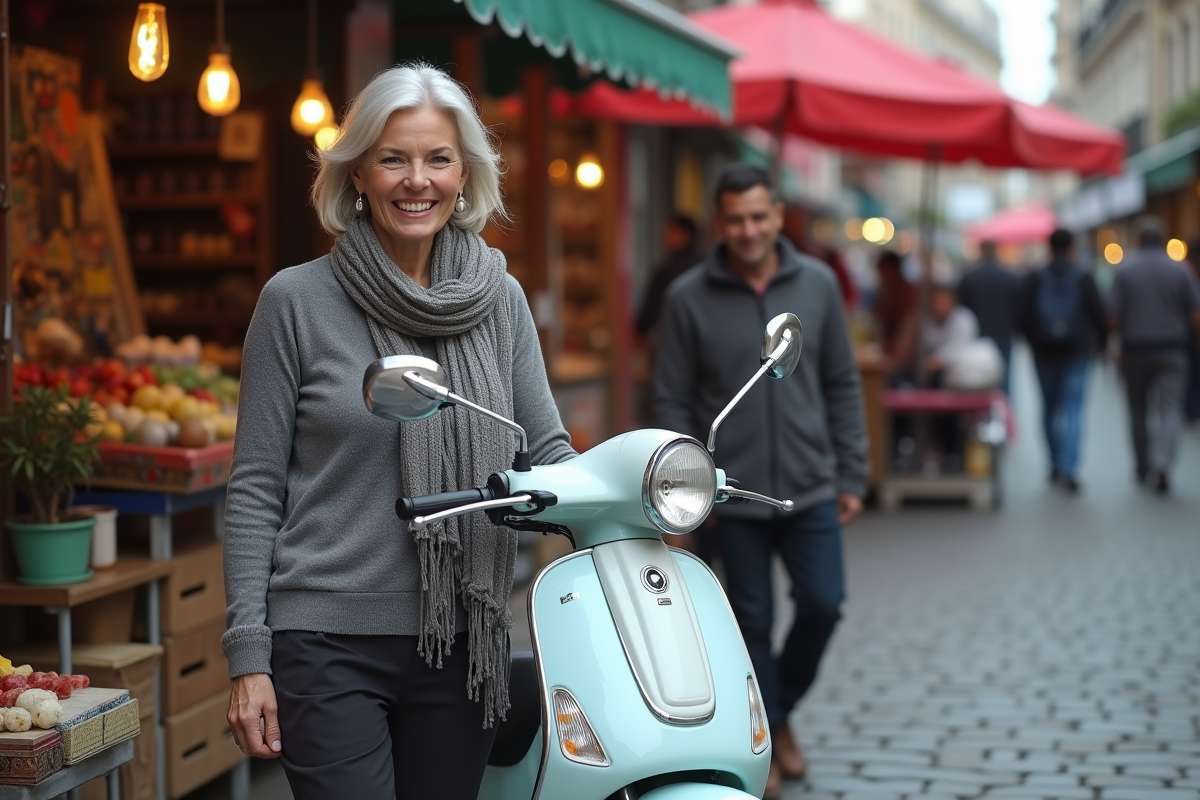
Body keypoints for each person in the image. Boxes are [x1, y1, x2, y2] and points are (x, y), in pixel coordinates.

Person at [221, 64, 575, 800]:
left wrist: (639, 492)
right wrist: (248, 658)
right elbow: (255, 490)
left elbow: (547, 451)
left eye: (438, 159)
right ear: (356, 175)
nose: (418, 180)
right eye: (394, 159)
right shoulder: (294, 302)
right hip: (325, 640)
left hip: (464, 643)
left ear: (464, 174)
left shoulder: (499, 301)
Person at [652, 163, 868, 799]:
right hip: (732, 496)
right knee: (749, 621)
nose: (748, 230)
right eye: (735, 219)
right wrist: (683, 495)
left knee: (824, 605)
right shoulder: (687, 297)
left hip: (811, 485)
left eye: (758, 217)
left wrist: (854, 470)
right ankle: (768, 744)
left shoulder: (820, 285)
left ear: (778, 216)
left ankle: (776, 716)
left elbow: (842, 385)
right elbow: (671, 401)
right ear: (720, 222)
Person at [1107, 216, 1200, 493]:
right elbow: (1195, 314)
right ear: (1162, 239)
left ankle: (1142, 464)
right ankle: (1163, 462)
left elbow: (1112, 317)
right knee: (1170, 408)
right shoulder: (1180, 270)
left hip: (1135, 349)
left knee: (1138, 410)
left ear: (1137, 239)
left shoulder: (1124, 270)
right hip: (1172, 348)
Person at [1019, 228, 1108, 494]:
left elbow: (1022, 316)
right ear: (1071, 247)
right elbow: (1099, 316)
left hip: (1044, 353)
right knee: (1073, 409)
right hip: (1077, 352)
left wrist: (1034, 342)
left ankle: (1055, 463)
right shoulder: (1083, 277)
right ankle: (1069, 467)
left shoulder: (1035, 277)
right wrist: (1101, 347)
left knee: (1049, 408)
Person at [957, 239, 1022, 393]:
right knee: (1004, 383)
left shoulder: (970, 277)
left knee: (977, 383)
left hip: (977, 336)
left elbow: (962, 308)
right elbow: (1018, 309)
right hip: (1003, 336)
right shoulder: (1010, 277)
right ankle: (1001, 414)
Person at [635, 214, 703, 337]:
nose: (664, 237)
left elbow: (650, 311)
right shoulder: (706, 265)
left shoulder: (667, 270)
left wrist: (641, 331)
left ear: (684, 234)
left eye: (670, 232)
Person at [872, 249, 917, 372]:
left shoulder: (907, 294)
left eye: (883, 271)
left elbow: (909, 327)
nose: (881, 276)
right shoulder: (886, 293)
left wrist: (897, 357)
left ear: (892, 269)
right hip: (888, 354)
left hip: (901, 362)